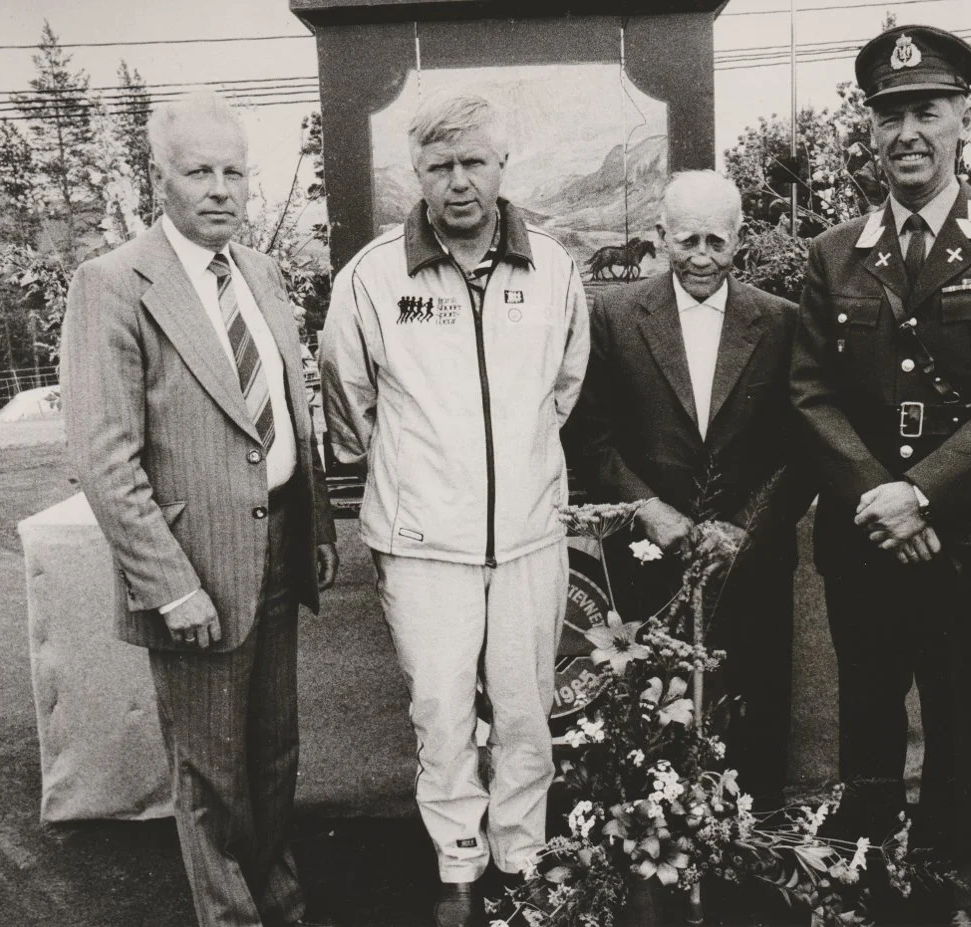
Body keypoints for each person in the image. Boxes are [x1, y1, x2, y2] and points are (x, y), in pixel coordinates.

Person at [790, 25, 971, 927]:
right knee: (865, 703)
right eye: (890, 115)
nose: (907, 131)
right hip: (865, 530)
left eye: (926, 111)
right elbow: (811, 391)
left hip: (964, 529)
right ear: (869, 131)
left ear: (961, 121)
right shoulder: (834, 252)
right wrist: (878, 492)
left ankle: (949, 874)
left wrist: (922, 491)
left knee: (954, 705)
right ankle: (865, 870)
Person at [61, 92, 338, 927]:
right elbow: (106, 458)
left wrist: (315, 523)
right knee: (211, 773)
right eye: (198, 172)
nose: (220, 188)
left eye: (233, 172)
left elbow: (286, 407)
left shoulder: (256, 270)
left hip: (279, 544)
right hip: (196, 571)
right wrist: (169, 585)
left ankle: (278, 901)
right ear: (161, 178)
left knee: (274, 756)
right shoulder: (112, 284)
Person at [319, 91, 589, 927]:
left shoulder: (553, 267)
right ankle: (460, 857)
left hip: (527, 537)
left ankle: (522, 848)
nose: (460, 182)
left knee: (523, 707)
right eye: (440, 167)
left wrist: (519, 477)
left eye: (474, 162)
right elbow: (346, 398)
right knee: (439, 710)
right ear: (418, 177)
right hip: (422, 541)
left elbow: (564, 388)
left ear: (503, 167)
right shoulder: (370, 277)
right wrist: (421, 483)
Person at [565, 169, 815, 810]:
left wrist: (745, 529)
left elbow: (806, 444)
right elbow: (588, 436)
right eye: (685, 241)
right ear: (659, 238)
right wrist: (646, 507)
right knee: (651, 714)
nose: (701, 257)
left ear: (738, 240)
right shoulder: (613, 316)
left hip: (749, 563)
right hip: (649, 562)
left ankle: (749, 846)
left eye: (716, 241)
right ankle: (660, 856)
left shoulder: (784, 323)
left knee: (752, 710)